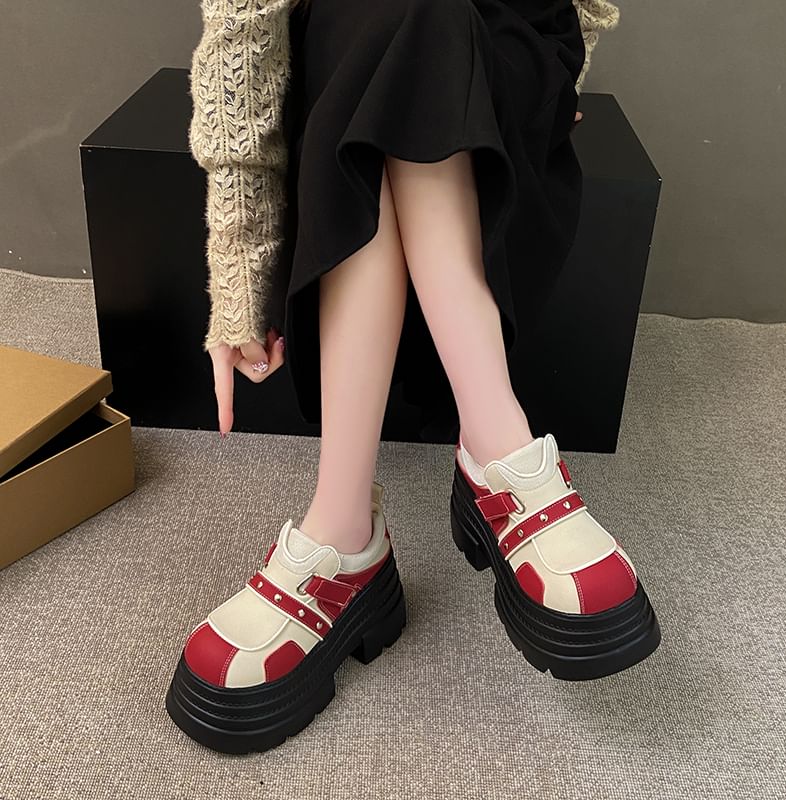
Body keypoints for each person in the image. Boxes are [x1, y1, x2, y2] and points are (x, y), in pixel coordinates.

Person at [165, 0, 660, 754]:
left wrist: (561, 80)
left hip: (497, 48)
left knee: (415, 28)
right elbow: (245, 22)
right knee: (387, 26)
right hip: (354, 56)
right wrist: (240, 261)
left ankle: (345, 536)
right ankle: (500, 455)